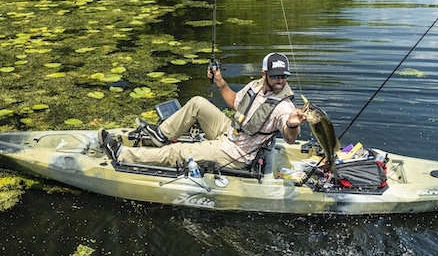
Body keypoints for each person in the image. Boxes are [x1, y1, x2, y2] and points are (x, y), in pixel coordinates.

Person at [105, 52, 306, 170]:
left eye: (284, 76)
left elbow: (289, 138)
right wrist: (220, 83)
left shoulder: (284, 107)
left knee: (179, 151)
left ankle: (123, 155)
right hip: (230, 132)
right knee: (198, 102)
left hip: (236, 153)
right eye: (276, 76)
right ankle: (160, 136)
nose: (280, 80)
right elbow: (236, 102)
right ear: (264, 74)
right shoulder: (256, 85)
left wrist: (292, 125)